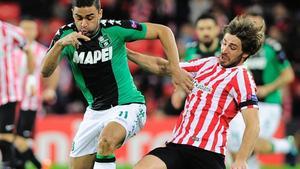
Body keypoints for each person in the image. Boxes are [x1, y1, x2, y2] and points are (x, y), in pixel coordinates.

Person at [41, 0, 193, 169]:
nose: (84, 23)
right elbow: (45, 71)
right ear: (72, 14)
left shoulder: (114, 29)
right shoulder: (65, 35)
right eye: (79, 18)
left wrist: (175, 68)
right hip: (94, 112)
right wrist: (60, 44)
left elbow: (163, 31)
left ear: (100, 13)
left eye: (90, 17)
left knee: (106, 142)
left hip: (128, 105)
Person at [127, 14, 263, 169]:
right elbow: (165, 67)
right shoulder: (207, 63)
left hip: (208, 153)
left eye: (232, 47)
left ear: (245, 53)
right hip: (177, 146)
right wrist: (127, 53)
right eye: (224, 43)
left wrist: (241, 159)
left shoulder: (242, 77)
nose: (224, 50)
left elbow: (253, 124)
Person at [227, 11, 296, 168]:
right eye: (251, 25)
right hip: (244, 105)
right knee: (236, 145)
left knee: (252, 142)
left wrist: (267, 88)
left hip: (268, 104)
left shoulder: (273, 47)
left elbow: (289, 75)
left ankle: (287, 145)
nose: (255, 29)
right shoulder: (239, 48)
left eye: (259, 26)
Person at [11, 16, 60, 169]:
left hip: (30, 101)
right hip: (10, 100)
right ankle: (39, 165)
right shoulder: (10, 49)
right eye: (23, 29)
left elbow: (54, 70)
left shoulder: (41, 51)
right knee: (10, 137)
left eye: (30, 29)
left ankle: (34, 165)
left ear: (36, 31)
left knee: (21, 138)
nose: (26, 32)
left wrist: (50, 89)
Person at [169, 12, 222, 115]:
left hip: (220, 99)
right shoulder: (189, 51)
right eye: (202, 29)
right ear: (196, 31)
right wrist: (179, 91)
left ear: (217, 29)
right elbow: (181, 75)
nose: (206, 32)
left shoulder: (225, 51)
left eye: (209, 28)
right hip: (197, 100)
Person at [0, 20, 35, 168]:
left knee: (5, 135)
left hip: (8, 93)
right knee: (6, 136)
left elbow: (28, 51)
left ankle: (12, 163)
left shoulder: (10, 31)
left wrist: (31, 77)